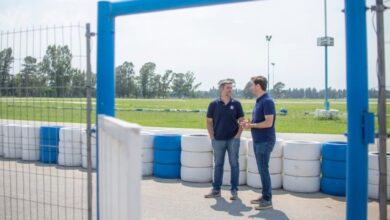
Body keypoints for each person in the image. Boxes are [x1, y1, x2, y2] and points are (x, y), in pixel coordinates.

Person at [204, 79, 245, 200]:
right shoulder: (213, 104)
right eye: (228, 88)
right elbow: (209, 122)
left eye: (231, 88)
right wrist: (212, 137)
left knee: (234, 164)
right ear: (221, 89)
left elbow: (242, 121)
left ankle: (234, 190)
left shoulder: (236, 104)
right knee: (218, 165)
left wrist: (238, 135)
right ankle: (216, 189)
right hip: (218, 140)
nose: (230, 90)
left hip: (233, 140)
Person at [241, 76, 276, 210]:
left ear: (258, 86)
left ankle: (267, 200)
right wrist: (249, 123)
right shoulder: (259, 101)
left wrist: (251, 126)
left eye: (252, 85)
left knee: (263, 169)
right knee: (262, 170)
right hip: (259, 140)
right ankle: (265, 195)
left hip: (265, 141)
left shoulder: (267, 101)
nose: (250, 87)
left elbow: (268, 122)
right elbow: (259, 121)